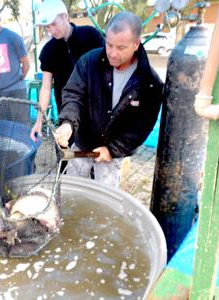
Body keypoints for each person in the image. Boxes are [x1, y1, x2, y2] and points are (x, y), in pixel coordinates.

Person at [54, 12, 163, 187]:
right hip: (83, 143)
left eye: (120, 48)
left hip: (112, 152)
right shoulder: (89, 62)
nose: (112, 53)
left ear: (136, 43)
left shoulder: (150, 82)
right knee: (71, 191)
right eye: (109, 44)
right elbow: (74, 95)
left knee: (105, 200)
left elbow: (142, 126)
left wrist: (113, 150)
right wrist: (68, 123)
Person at [30, 0, 104, 141]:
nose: (51, 30)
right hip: (67, 114)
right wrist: (39, 119)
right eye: (47, 27)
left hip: (95, 111)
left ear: (65, 16)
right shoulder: (48, 50)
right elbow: (46, 88)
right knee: (69, 154)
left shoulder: (91, 36)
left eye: (53, 24)